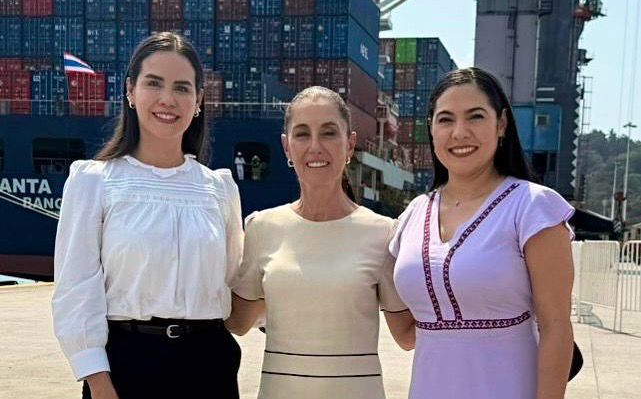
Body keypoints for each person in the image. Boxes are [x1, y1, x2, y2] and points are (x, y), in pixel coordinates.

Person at [52, 32, 243, 399]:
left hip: (209, 365)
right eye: (154, 83)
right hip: (126, 367)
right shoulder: (95, 181)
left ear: (199, 101)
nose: (167, 99)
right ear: (130, 91)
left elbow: (235, 283)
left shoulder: (219, 189)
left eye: (182, 88)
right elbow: (76, 288)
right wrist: (98, 381)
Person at [390, 67, 575, 399]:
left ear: (501, 124)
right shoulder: (413, 215)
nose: (460, 132)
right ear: (431, 128)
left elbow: (556, 326)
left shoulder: (533, 208)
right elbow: (404, 334)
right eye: (445, 120)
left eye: (475, 117)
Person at [225, 86, 415, 399]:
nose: (315, 146)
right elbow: (237, 321)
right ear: (286, 147)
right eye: (302, 134)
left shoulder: (383, 233)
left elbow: (407, 336)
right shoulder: (262, 229)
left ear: (349, 143)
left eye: (328, 133)